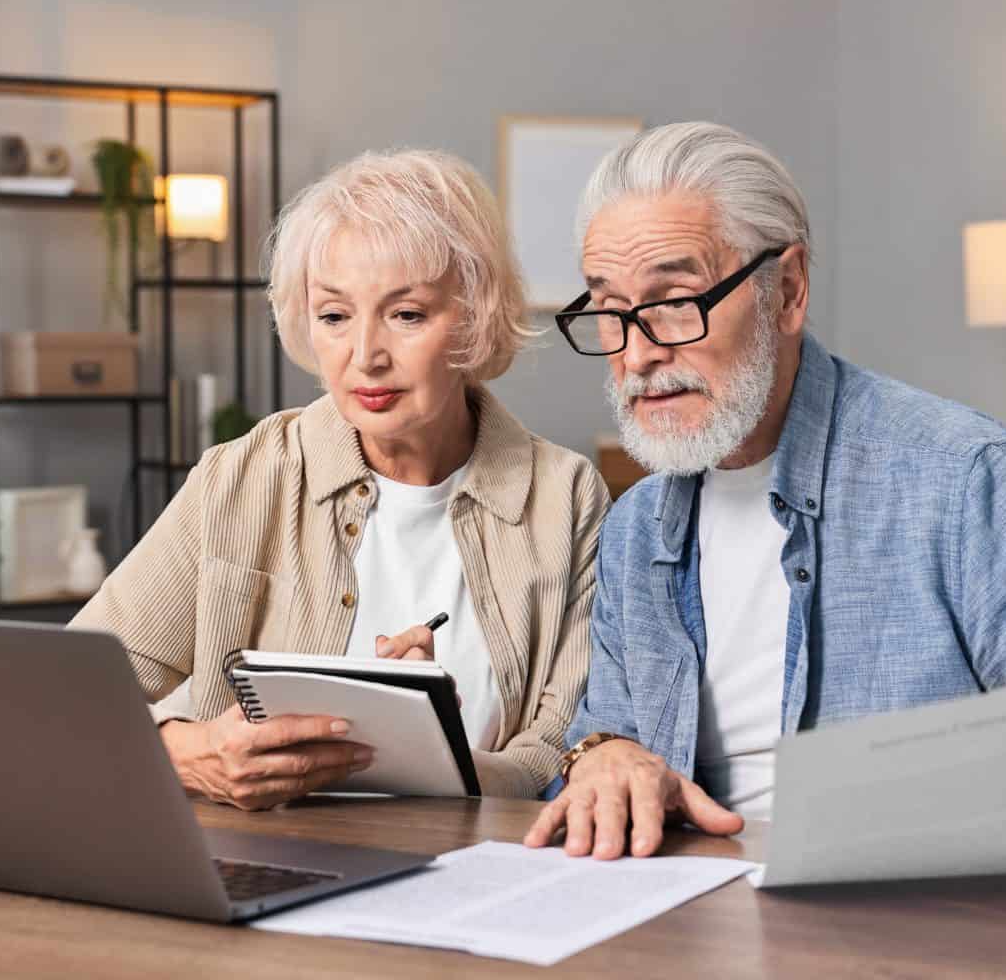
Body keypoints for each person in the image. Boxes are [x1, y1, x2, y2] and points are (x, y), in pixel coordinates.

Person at [523, 121, 1006, 899]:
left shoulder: (963, 485)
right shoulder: (636, 527)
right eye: (610, 311)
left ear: (786, 291)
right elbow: (608, 737)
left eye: (674, 302)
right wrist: (602, 754)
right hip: (670, 926)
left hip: (925, 933)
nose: (636, 355)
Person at [71, 149, 609, 807]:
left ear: (473, 316)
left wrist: (430, 752)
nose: (364, 357)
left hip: (475, 875)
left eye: (406, 314)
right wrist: (188, 754)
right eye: (334, 316)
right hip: (263, 867)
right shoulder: (242, 479)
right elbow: (73, 692)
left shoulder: (565, 497)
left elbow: (561, 749)